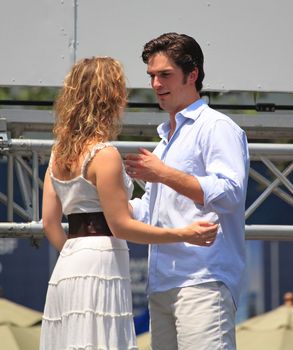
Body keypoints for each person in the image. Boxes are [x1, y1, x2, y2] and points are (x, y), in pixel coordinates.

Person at [39, 56, 218, 350]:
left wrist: (76, 252)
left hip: (68, 265)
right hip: (101, 262)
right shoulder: (104, 154)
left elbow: (49, 223)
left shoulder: (58, 154)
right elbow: (121, 226)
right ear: (111, 97)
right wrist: (184, 234)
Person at [125, 33, 250, 350]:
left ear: (192, 74)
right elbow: (150, 210)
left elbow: (230, 193)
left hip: (203, 279)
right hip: (162, 284)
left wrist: (163, 173)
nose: (155, 84)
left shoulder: (217, 127)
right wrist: (109, 199)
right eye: (151, 76)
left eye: (165, 74)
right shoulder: (165, 140)